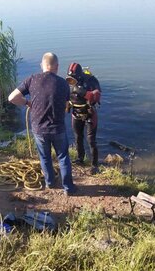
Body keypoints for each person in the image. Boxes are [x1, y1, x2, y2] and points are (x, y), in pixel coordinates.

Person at [8, 52, 76, 196]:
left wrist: (27, 102)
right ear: (57, 67)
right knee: (63, 157)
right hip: (58, 128)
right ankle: (68, 188)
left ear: (42, 65)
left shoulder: (32, 79)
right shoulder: (64, 83)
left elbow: (12, 97)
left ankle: (50, 183)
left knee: (44, 157)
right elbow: (65, 106)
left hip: (39, 129)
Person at [66, 63, 101, 175]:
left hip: (89, 113)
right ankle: (80, 158)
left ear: (80, 76)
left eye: (74, 78)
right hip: (76, 113)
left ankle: (95, 165)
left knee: (91, 141)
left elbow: (97, 95)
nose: (72, 80)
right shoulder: (67, 83)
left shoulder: (90, 80)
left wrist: (84, 93)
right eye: (70, 78)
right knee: (78, 138)